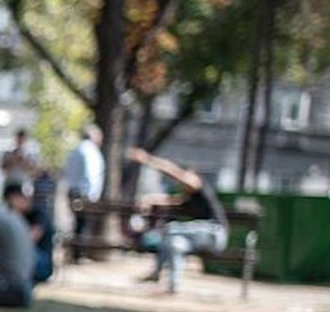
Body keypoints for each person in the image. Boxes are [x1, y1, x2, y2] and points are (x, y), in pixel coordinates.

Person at [128, 147, 228, 294]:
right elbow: (168, 200)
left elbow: (173, 172)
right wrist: (148, 199)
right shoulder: (186, 200)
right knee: (175, 244)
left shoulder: (199, 186)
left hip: (214, 233)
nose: (182, 181)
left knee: (170, 229)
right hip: (199, 238)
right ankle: (172, 287)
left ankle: (156, 272)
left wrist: (147, 159)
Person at [61, 124, 105, 259]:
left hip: (73, 190)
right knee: (82, 224)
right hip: (83, 192)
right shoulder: (90, 151)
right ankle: (78, 254)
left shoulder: (76, 149)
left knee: (77, 223)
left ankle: (75, 253)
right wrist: (91, 194)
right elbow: (91, 174)